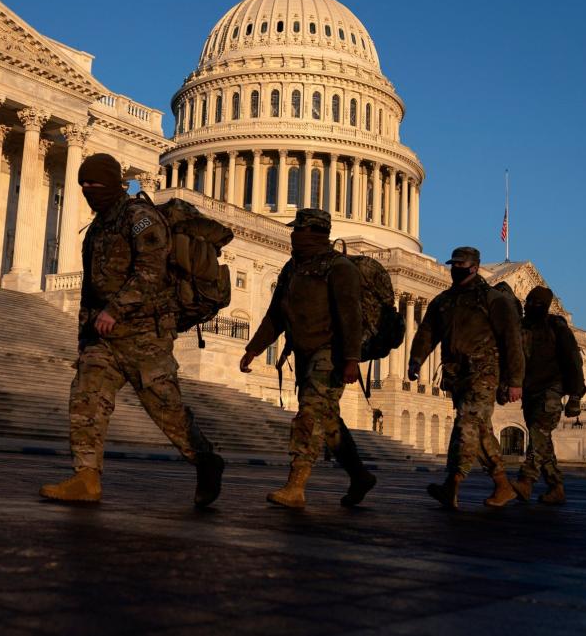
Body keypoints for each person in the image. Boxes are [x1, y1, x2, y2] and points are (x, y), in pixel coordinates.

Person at [39, 153, 223, 506]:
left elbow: (151, 271)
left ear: (112, 182)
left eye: (94, 184)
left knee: (167, 411)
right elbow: (93, 288)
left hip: (144, 335)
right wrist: (86, 335)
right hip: (104, 338)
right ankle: (86, 477)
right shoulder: (97, 226)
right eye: (83, 185)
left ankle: (205, 459)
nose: (88, 190)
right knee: (86, 397)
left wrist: (116, 309)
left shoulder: (140, 217)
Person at [241, 208, 375, 508]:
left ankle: (296, 485)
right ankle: (359, 474)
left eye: (298, 230)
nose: (293, 235)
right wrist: (254, 349)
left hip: (331, 353)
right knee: (328, 421)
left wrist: (352, 358)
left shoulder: (339, 268)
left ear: (314, 232)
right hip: (304, 352)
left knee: (310, 414)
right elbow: (276, 314)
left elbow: (350, 316)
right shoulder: (293, 268)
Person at [409, 246, 525, 510]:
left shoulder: (494, 299)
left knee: (467, 425)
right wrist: (416, 360)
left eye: (460, 265)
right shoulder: (444, 300)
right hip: (456, 374)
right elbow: (428, 331)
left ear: (474, 267)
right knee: (481, 430)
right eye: (454, 264)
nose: (455, 269)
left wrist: (515, 380)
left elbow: (512, 341)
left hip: (484, 373)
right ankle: (503, 485)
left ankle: (452, 483)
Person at [512, 286, 585, 506]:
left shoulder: (556, 327)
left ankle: (526, 480)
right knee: (543, 441)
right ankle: (556, 487)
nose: (529, 306)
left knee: (538, 435)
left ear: (544, 306)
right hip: (530, 391)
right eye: (528, 302)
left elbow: (573, 361)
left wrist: (575, 396)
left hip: (551, 390)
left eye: (535, 303)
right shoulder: (522, 327)